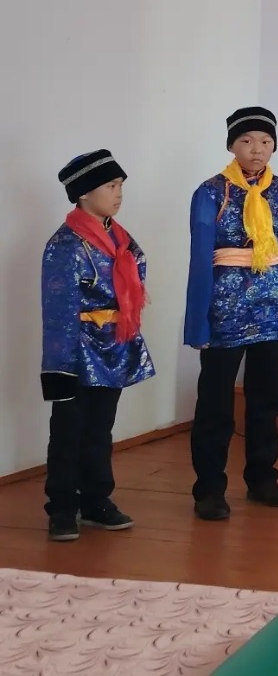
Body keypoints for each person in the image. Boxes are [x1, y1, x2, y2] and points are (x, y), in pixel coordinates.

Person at [184, 107, 278, 521]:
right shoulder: (210, 193)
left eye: (266, 142)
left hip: (274, 309)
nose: (257, 149)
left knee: (265, 400)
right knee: (215, 403)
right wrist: (197, 321)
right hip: (225, 311)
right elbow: (200, 259)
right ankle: (209, 489)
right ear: (232, 146)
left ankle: (262, 479)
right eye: (248, 141)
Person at [41, 150, 156, 541]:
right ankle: (62, 507)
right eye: (110, 185)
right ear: (84, 194)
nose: (118, 193)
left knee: (100, 427)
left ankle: (95, 500)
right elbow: (59, 310)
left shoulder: (121, 239)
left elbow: (134, 281)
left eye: (120, 185)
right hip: (77, 350)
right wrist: (59, 367)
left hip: (113, 346)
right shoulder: (65, 245)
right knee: (69, 428)